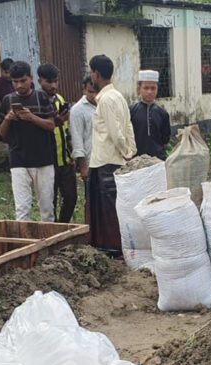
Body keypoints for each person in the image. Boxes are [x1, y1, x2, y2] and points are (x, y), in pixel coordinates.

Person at [88, 54, 137, 255]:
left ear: (96, 74)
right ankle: (112, 246)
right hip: (112, 160)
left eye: (91, 72)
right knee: (110, 206)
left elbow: (117, 132)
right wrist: (130, 152)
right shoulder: (118, 96)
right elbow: (128, 127)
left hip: (106, 161)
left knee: (107, 209)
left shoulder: (107, 100)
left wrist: (126, 151)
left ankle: (112, 247)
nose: (91, 76)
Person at [0, 61, 56, 222]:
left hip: (43, 160)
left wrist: (31, 117)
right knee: (22, 210)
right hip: (18, 161)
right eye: (15, 82)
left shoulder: (41, 97)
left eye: (23, 81)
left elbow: (51, 125)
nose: (19, 85)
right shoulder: (7, 101)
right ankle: (25, 243)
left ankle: (49, 244)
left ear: (30, 78)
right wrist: (8, 119)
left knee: (47, 209)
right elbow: (2, 135)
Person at [37, 63, 76, 223]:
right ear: (40, 81)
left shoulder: (60, 99)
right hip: (47, 161)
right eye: (49, 82)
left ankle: (62, 226)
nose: (53, 85)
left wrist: (72, 151)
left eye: (55, 81)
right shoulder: (36, 100)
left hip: (64, 160)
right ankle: (53, 232)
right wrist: (56, 122)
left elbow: (66, 130)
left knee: (71, 198)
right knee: (49, 201)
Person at [69, 75, 97, 223]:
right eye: (90, 92)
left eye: (96, 91)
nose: (94, 96)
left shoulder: (106, 103)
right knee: (91, 200)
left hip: (107, 161)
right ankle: (91, 232)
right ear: (84, 90)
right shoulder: (78, 110)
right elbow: (77, 141)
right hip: (90, 162)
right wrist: (83, 166)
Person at [130, 70, 171, 160]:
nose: (149, 92)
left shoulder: (163, 114)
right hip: (136, 161)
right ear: (139, 88)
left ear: (157, 89)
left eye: (153, 88)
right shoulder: (131, 111)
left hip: (158, 160)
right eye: (146, 88)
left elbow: (165, 140)